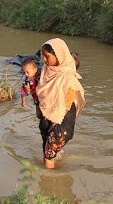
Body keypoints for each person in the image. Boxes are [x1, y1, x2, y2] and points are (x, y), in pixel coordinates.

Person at [36, 38, 86, 169]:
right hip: (48, 118)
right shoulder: (47, 72)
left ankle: (48, 182)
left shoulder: (67, 76)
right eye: (43, 56)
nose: (44, 60)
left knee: (48, 155)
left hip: (61, 121)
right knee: (48, 150)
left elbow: (67, 103)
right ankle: (55, 165)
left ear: (59, 56)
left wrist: (55, 122)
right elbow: (43, 95)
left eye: (47, 56)